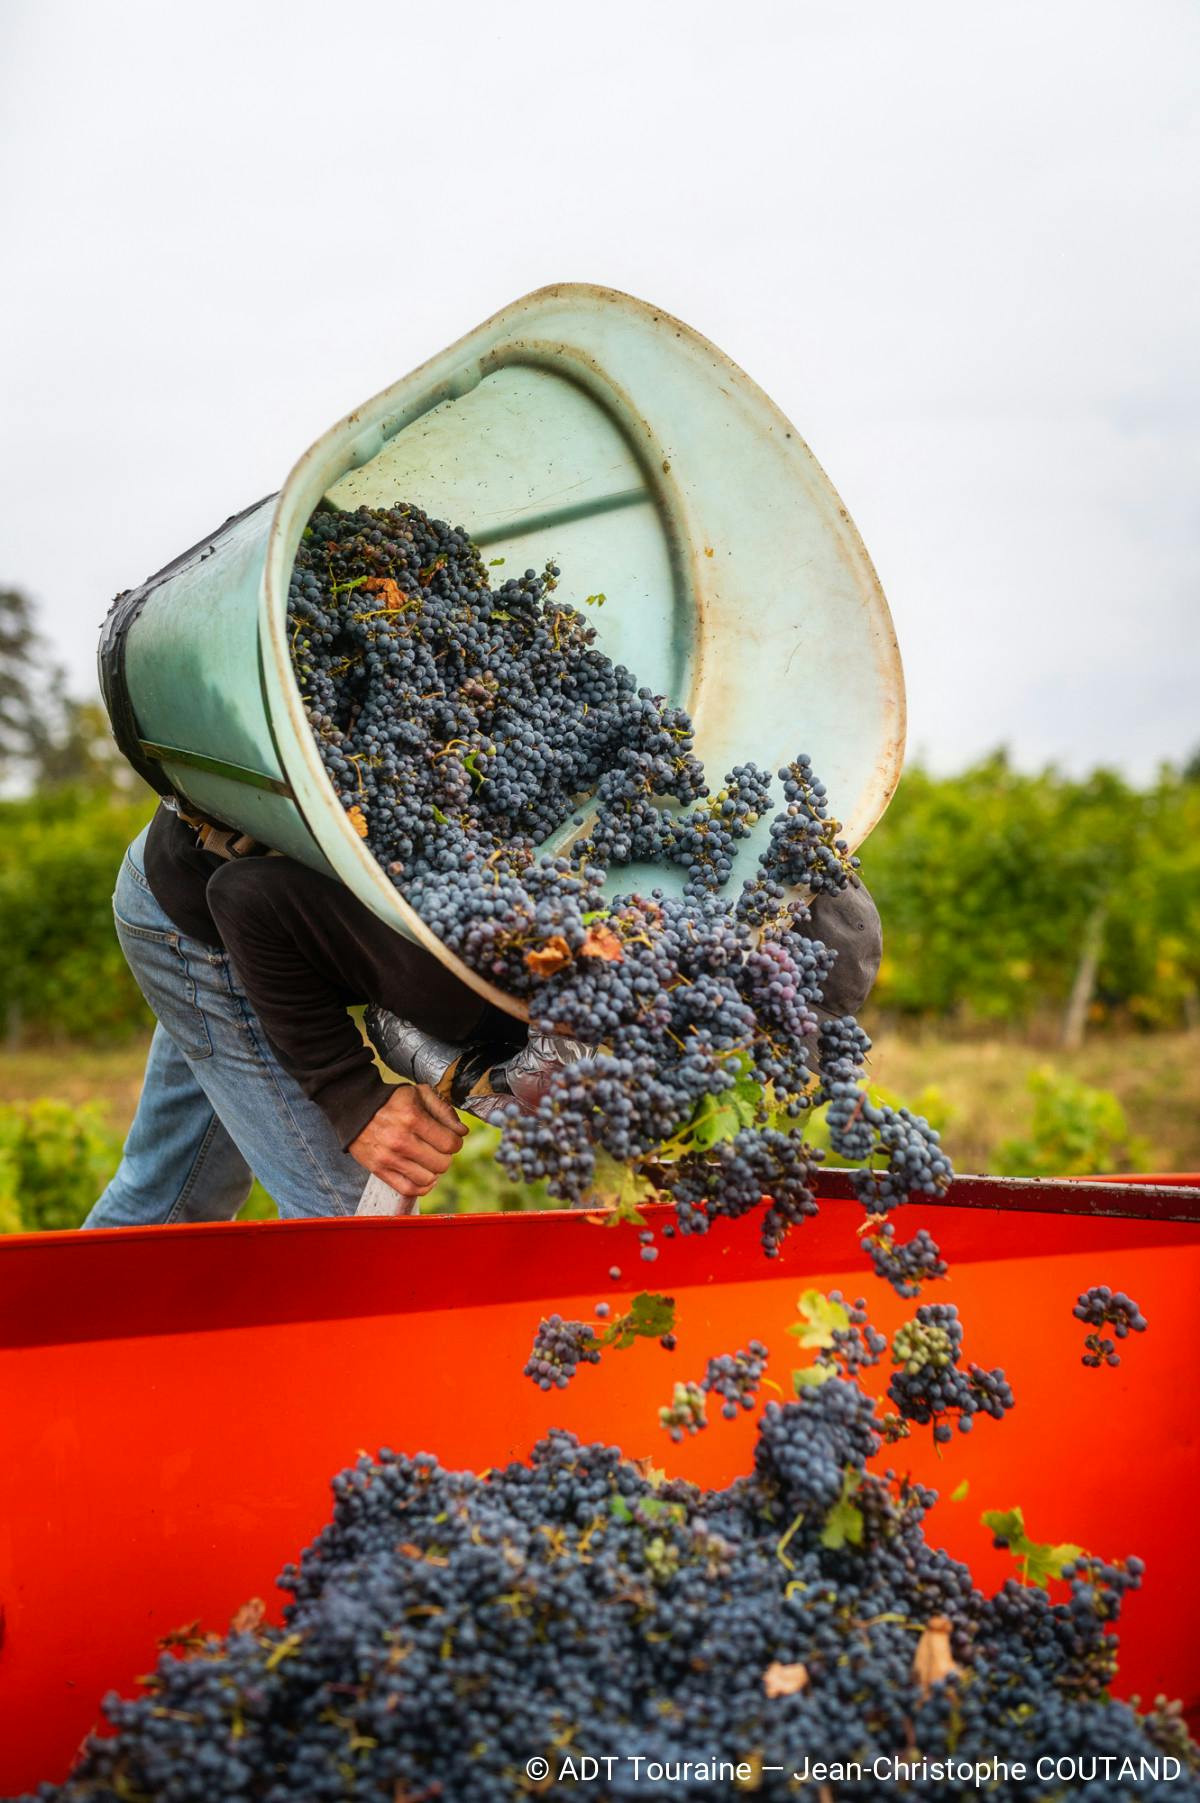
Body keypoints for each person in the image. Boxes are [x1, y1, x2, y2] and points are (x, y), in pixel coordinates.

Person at [85, 799, 882, 1227]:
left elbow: (401, 1017)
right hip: (206, 917)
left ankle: (58, 1380)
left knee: (171, 1198)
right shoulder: (509, 938)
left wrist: (490, 1079)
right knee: (344, 1217)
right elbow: (248, 901)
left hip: (284, 927)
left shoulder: (636, 893)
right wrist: (351, 1098)